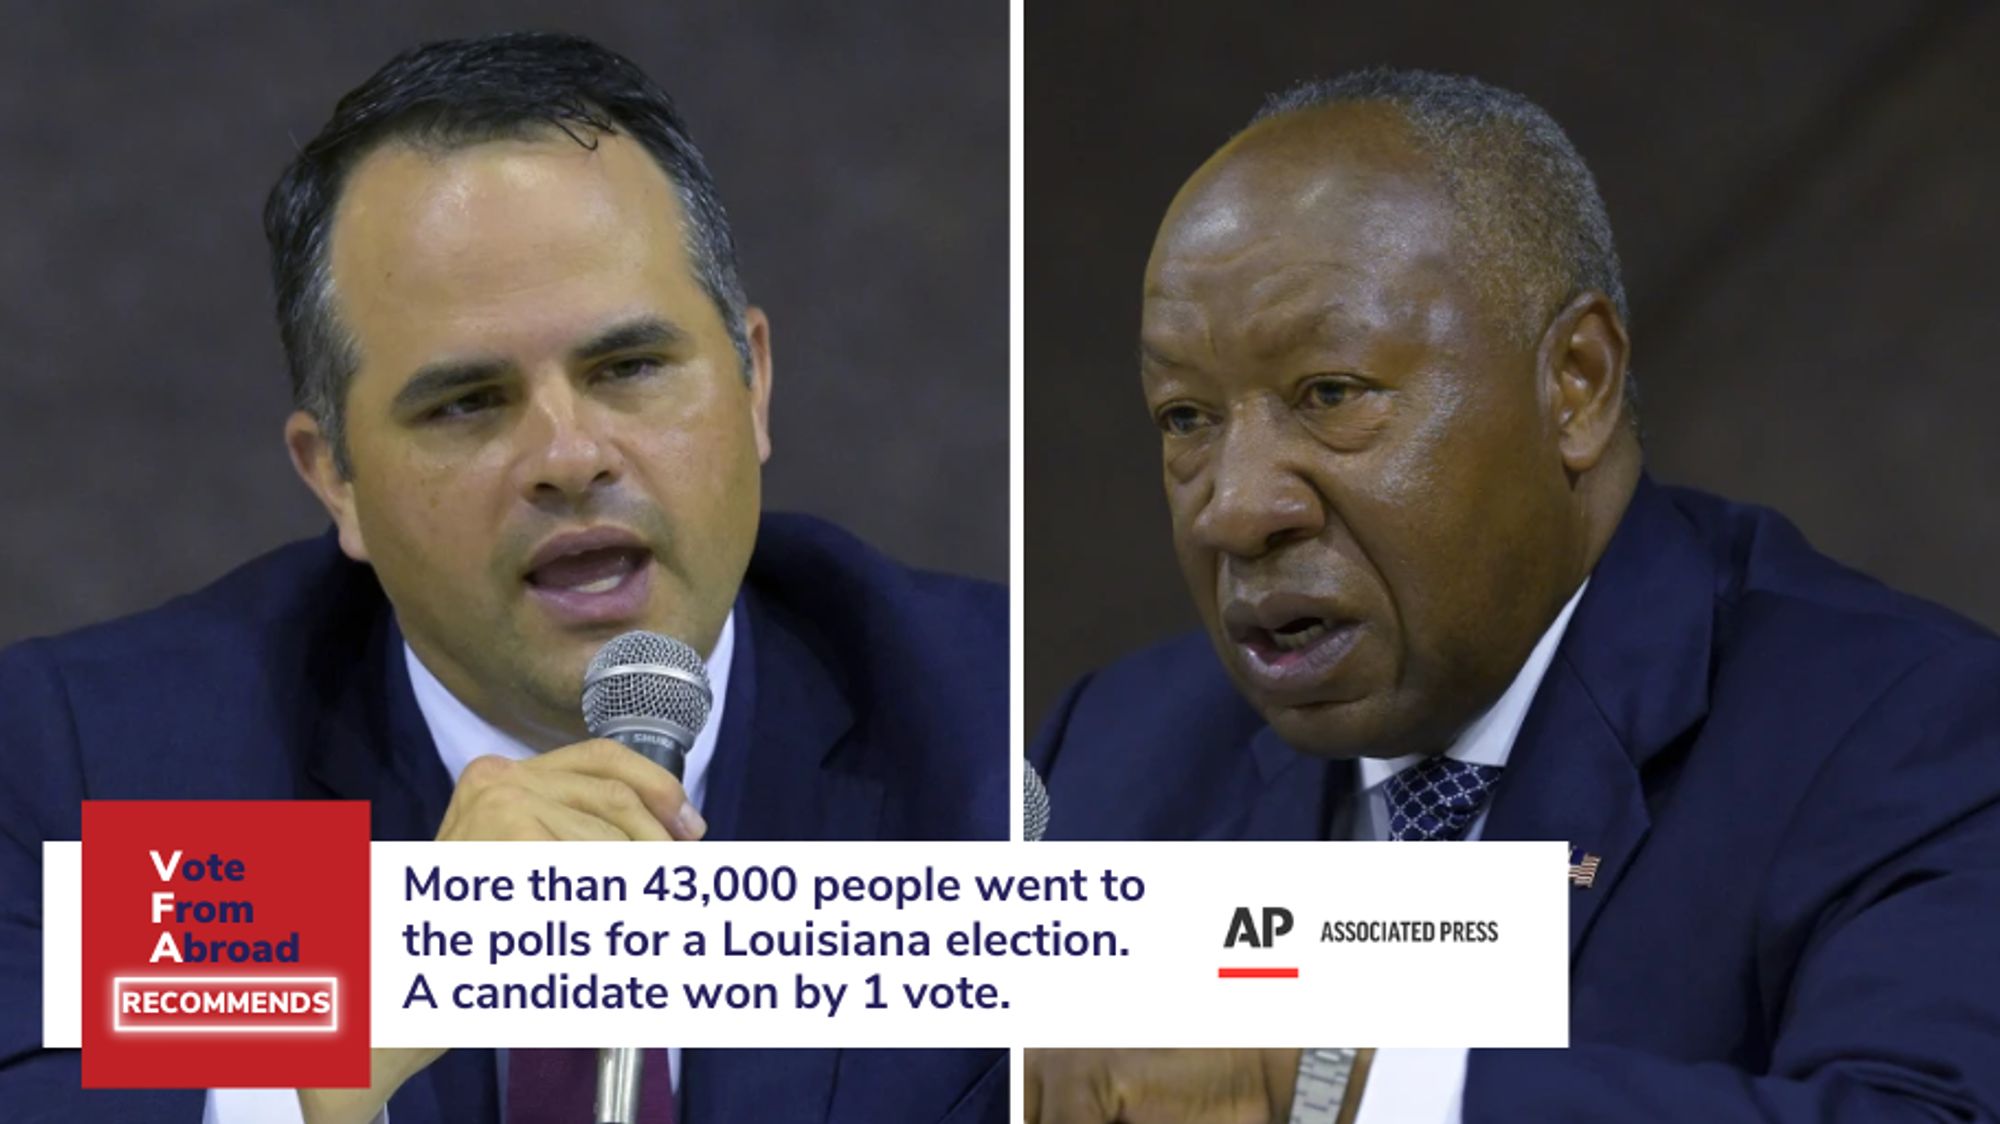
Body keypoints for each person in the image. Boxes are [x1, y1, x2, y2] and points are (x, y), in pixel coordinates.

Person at [0, 32, 1006, 1124]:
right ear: (333, 474)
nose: (570, 457)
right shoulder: (106, 777)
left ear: (753, 381)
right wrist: (371, 996)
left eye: (628, 368)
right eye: (467, 402)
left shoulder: (996, 729)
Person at [1027, 69, 2000, 1122]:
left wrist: (1330, 1088)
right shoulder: (1110, 759)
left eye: (1330, 393)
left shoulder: (1912, 733)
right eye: (1183, 417)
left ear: (1574, 382)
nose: (1233, 507)